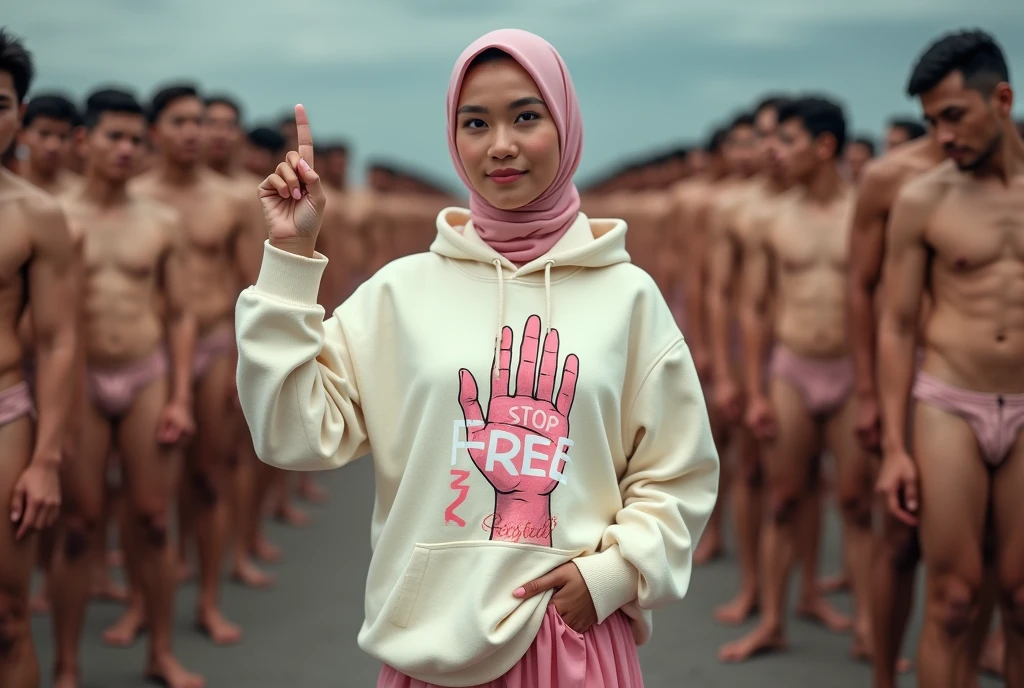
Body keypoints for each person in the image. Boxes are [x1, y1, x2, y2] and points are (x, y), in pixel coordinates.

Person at [236, 29, 719, 687]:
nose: (500, 144)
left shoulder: (629, 298)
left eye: (526, 116)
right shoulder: (400, 293)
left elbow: (679, 470)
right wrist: (291, 261)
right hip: (432, 647)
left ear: (567, 124)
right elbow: (291, 433)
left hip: (573, 639)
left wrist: (609, 573)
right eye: (475, 122)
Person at [878, 29, 1024, 688]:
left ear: (1002, 99)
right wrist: (894, 447)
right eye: (932, 121)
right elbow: (898, 323)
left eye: (954, 116)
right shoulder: (924, 200)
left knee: (1021, 602)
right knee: (955, 601)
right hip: (950, 403)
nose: (942, 136)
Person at [46, 87, 203, 688]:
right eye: (114, 136)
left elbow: (181, 313)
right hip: (79, 379)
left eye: (137, 139)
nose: (127, 149)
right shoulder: (54, 213)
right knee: (80, 524)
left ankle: (160, 652)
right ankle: (65, 666)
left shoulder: (161, 221)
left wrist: (181, 396)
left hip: (145, 372)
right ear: (84, 140)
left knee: (153, 518)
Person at [720, 95, 875, 663]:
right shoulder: (772, 219)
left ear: (824, 146)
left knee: (857, 504)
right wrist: (756, 389)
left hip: (851, 373)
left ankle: (867, 629)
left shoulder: (867, 211)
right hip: (792, 369)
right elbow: (755, 308)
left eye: (787, 142)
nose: (773, 152)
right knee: (784, 498)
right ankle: (772, 621)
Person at [131, 82, 261, 645]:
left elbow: (253, 287)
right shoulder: (133, 195)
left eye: (200, 122)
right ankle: (142, 602)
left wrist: (246, 365)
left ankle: (207, 598)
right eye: (182, 123)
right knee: (146, 495)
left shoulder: (231, 200)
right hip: (146, 351)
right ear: (156, 130)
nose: (194, 133)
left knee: (209, 478)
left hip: (212, 344)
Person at [0, 28, 77, 688]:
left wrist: (46, 461)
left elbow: (57, 341)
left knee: (7, 619)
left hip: (5, 419)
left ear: (19, 113)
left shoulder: (35, 214)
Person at [14, 93, 81, 195]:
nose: (53, 146)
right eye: (44, 134)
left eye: (63, 136)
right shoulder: (7, 189)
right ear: (22, 134)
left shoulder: (82, 193)